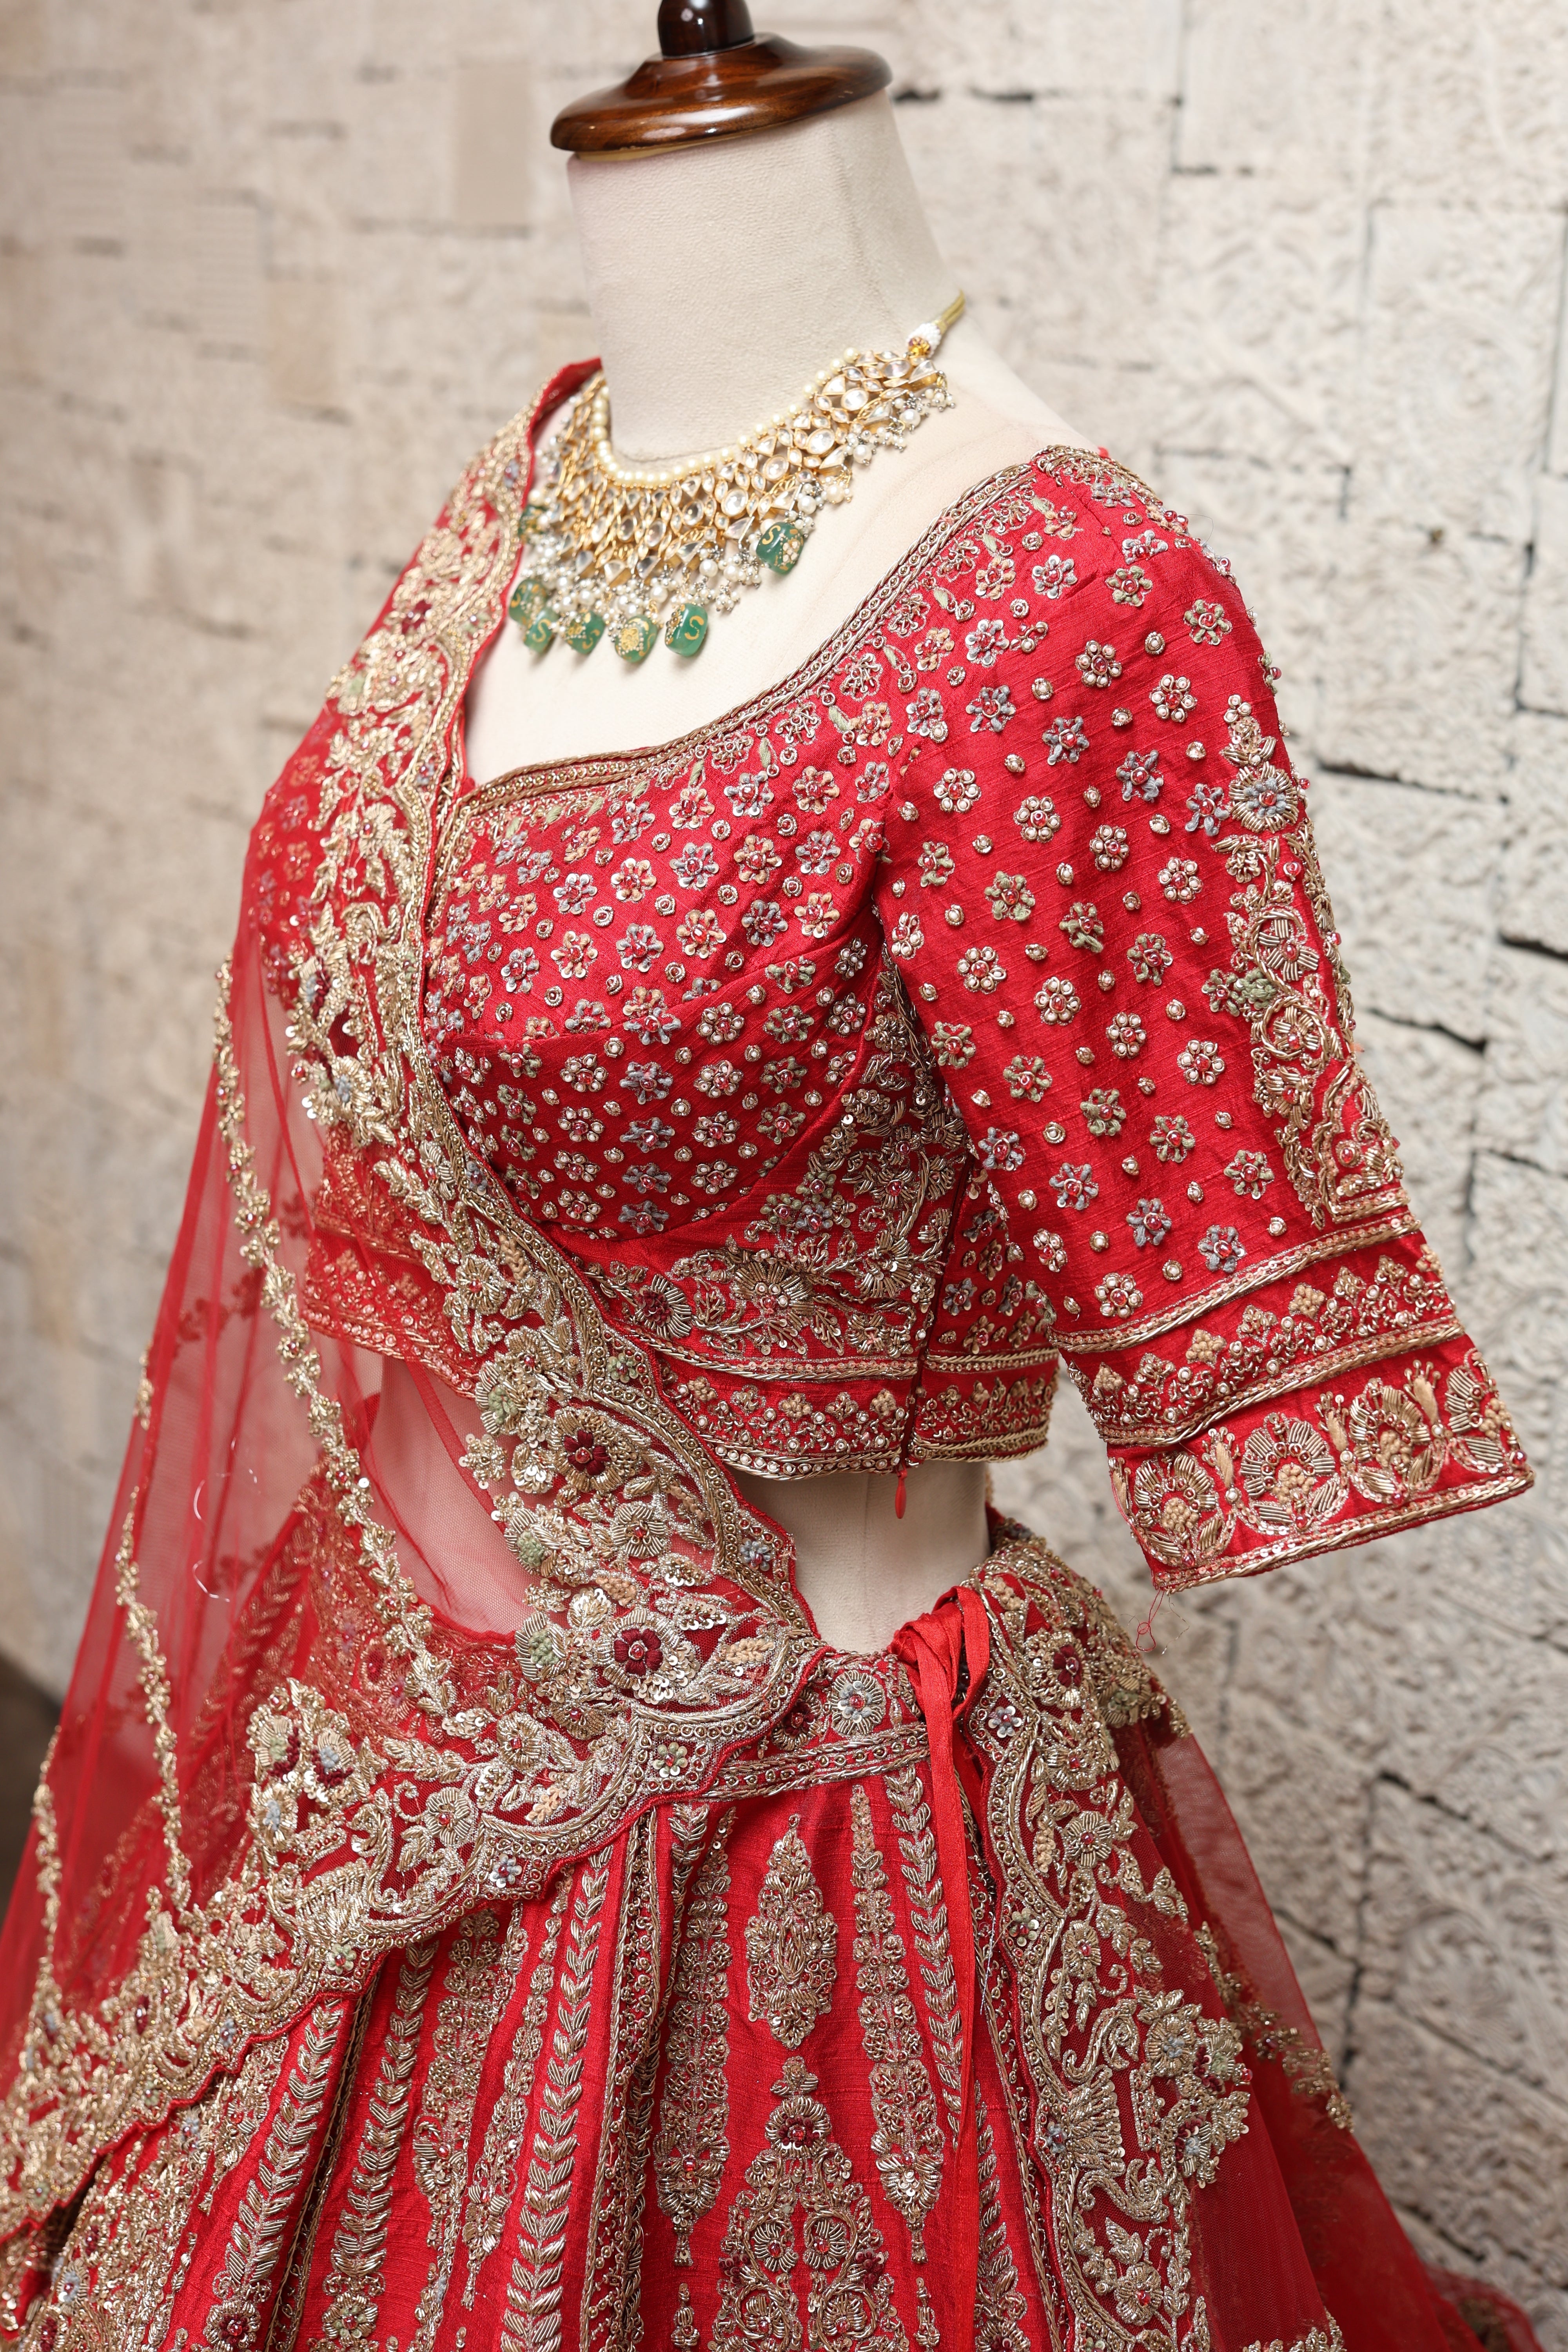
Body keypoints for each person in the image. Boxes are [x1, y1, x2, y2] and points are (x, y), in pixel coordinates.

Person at [0, 12, 1544, 2348]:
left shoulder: (1064, 608)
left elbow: (1238, 1309)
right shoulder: (522, 498)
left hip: (805, 1792)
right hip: (409, 1790)